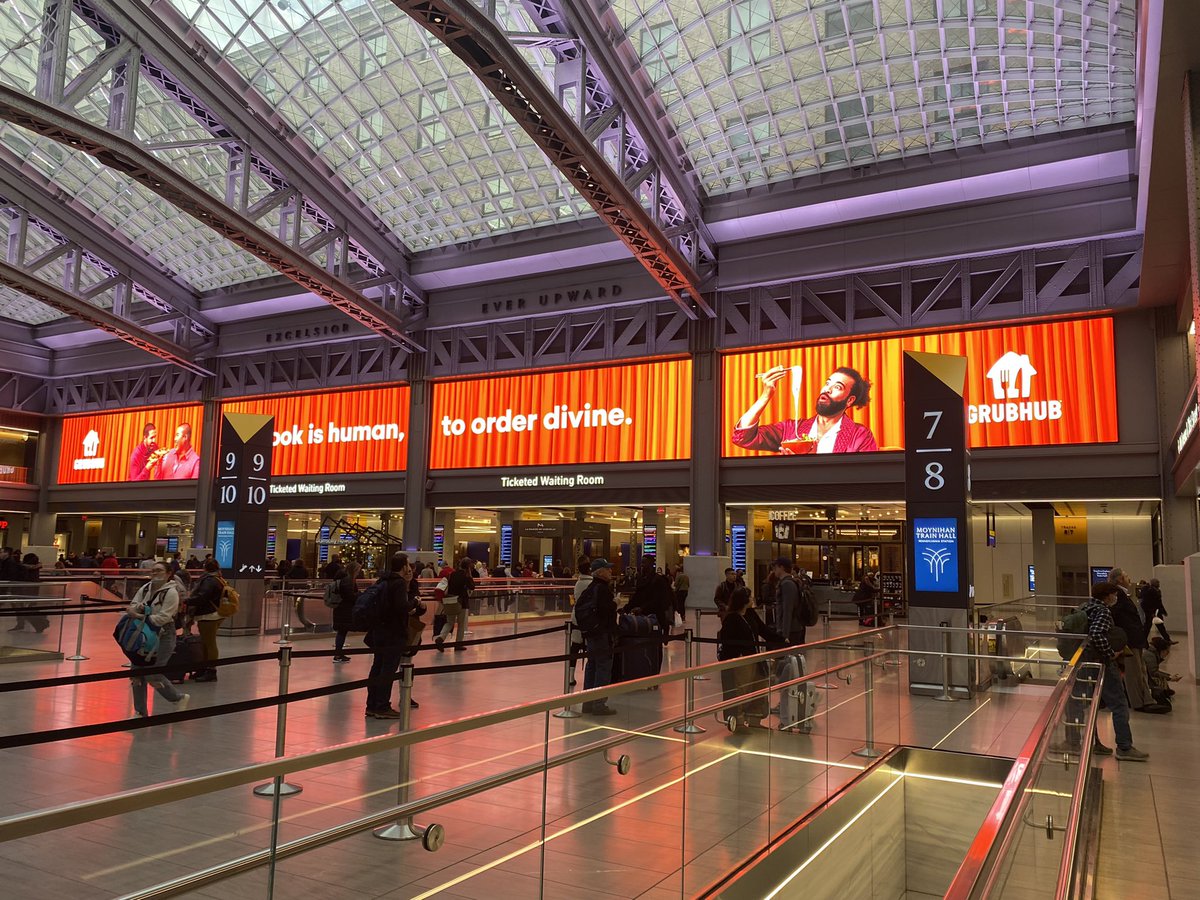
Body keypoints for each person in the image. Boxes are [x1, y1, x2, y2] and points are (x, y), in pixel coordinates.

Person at [1063, 582, 1149, 761]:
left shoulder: (1085, 607)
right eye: (1113, 594)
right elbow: (1096, 635)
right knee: (1118, 704)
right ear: (1107, 595)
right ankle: (1124, 747)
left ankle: (1076, 741)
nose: (1115, 597)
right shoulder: (1102, 611)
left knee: (1081, 702)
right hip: (1101, 663)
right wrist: (1111, 654)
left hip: (1083, 662)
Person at [733, 365, 878, 454]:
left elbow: (867, 477)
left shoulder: (860, 435)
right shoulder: (791, 429)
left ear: (850, 400)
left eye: (838, 387)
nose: (827, 389)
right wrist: (766, 395)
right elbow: (743, 437)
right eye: (828, 383)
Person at [126, 562, 190, 717]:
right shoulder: (146, 588)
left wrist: (140, 615)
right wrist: (138, 609)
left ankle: (178, 698)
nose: (155, 573)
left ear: (169, 573)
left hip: (164, 634)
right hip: (144, 633)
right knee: (136, 672)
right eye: (153, 570)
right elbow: (133, 604)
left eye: (159, 570)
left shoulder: (171, 592)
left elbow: (163, 618)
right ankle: (140, 711)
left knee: (153, 673)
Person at [717, 588, 786, 729]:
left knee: (759, 689)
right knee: (740, 691)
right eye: (750, 597)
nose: (752, 599)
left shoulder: (750, 614)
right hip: (741, 662)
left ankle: (755, 720)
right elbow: (727, 642)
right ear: (743, 600)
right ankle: (738, 722)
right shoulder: (731, 619)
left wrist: (781, 640)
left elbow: (763, 630)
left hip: (755, 658)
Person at [364, 552, 423, 719]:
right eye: (408, 563)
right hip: (393, 632)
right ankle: (382, 706)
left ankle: (372, 704)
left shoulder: (383, 579)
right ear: (404, 566)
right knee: (388, 669)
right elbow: (401, 607)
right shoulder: (398, 583)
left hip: (379, 630)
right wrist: (416, 602)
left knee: (377, 667)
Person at [1108, 568, 1167, 714]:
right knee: (1134, 672)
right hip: (1130, 639)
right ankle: (1139, 702)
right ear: (1120, 579)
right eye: (1126, 576)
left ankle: (1146, 699)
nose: (1129, 578)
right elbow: (1120, 617)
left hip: (1134, 638)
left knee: (1140, 670)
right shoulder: (1117, 595)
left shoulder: (1123, 594)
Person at [577, 558, 619, 716]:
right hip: (602, 633)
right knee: (603, 667)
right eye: (607, 569)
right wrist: (615, 603)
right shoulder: (602, 589)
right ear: (600, 572)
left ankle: (587, 703)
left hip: (591, 633)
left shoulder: (590, 588)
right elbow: (605, 611)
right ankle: (599, 704)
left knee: (591, 666)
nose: (610, 571)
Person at [186, 559, 225, 682]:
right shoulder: (218, 579)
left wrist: (186, 601)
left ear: (205, 568)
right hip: (215, 614)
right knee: (206, 643)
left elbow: (202, 597)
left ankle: (211, 671)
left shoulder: (209, 581)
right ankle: (205, 668)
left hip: (208, 615)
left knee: (209, 643)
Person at [436, 558, 474, 652]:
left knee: (449, 622)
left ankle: (441, 637)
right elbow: (472, 586)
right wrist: (470, 577)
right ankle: (458, 644)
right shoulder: (466, 576)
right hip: (462, 602)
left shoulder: (452, 574)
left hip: (450, 601)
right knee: (461, 624)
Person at [331, 560, 360, 663]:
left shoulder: (343, 579)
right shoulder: (347, 580)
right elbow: (349, 596)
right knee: (342, 631)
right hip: (345, 609)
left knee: (342, 631)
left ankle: (338, 653)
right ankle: (338, 654)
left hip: (341, 609)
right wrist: (359, 595)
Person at [774, 558, 807, 645]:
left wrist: (785, 634)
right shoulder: (786, 582)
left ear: (781, 568)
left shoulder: (787, 584)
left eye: (776, 568)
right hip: (791, 627)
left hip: (791, 629)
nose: (774, 571)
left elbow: (787, 609)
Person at [1139, 578, 1174, 644]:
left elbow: (1159, 603)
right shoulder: (1150, 591)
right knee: (1148, 627)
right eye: (1157, 582)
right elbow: (1146, 603)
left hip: (1156, 612)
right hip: (1152, 612)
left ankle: (1167, 639)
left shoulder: (1156, 591)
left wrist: (1163, 611)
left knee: (1158, 626)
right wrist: (1151, 612)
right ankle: (1142, 641)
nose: (1159, 584)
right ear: (1153, 583)